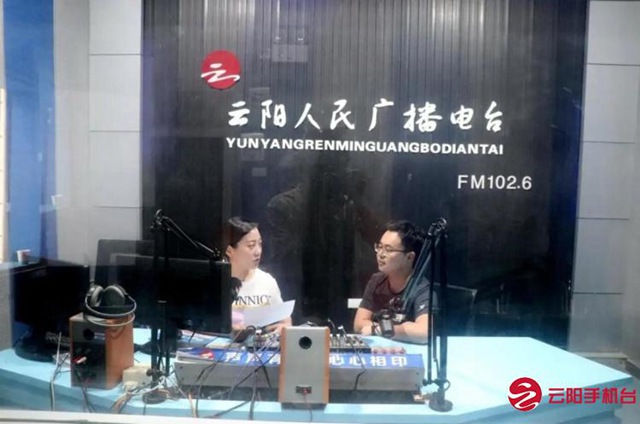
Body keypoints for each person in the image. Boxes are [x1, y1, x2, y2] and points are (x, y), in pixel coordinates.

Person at [353, 220, 433, 344]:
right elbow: (359, 324)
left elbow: (424, 332)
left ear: (409, 257)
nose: (381, 254)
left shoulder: (421, 288)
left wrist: (378, 329)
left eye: (388, 250)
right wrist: (399, 330)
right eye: (379, 247)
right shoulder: (376, 281)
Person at [223, 217, 292, 335]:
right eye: (251, 246)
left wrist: (282, 328)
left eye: (260, 244)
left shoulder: (267, 281)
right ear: (229, 250)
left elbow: (286, 321)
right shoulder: (217, 283)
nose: (258, 251)